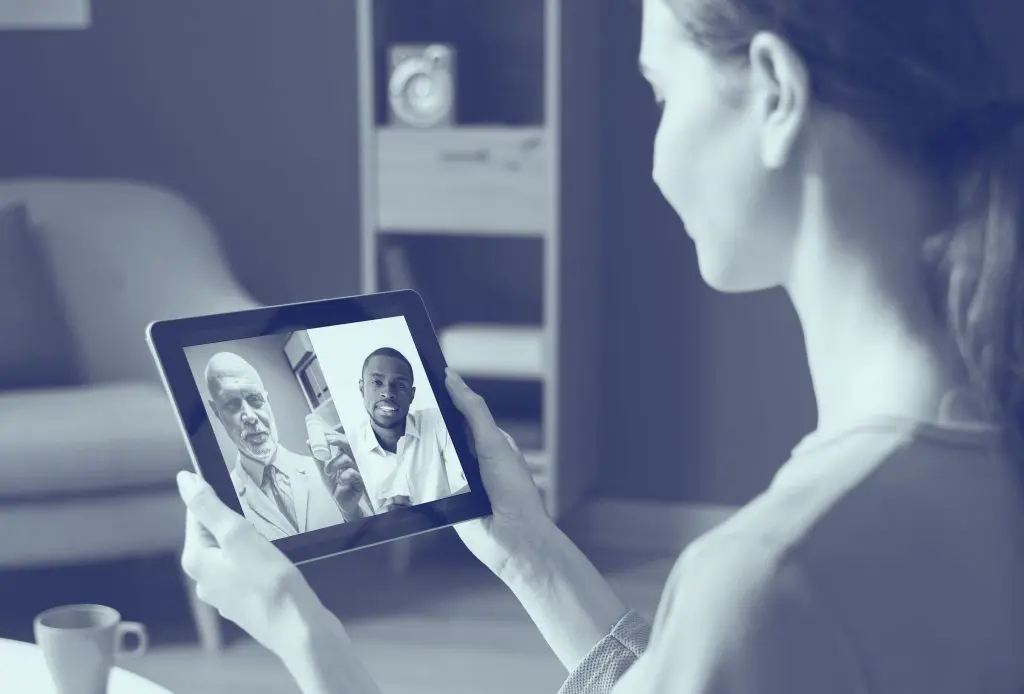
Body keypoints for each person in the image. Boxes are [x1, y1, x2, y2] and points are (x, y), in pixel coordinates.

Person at [177, 0, 1024, 690]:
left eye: (662, 94)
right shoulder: (977, 461)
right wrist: (530, 550)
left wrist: (301, 630)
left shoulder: (772, 578)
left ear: (775, 93)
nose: (655, 162)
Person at [204, 351, 369, 540]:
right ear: (217, 413)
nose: (250, 416)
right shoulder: (221, 506)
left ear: (267, 401)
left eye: (255, 399)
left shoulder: (333, 474)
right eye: (232, 404)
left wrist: (352, 514)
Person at [348, 347, 469, 513]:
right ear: (362, 388)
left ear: (412, 395)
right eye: (377, 382)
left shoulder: (439, 421)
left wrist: (421, 518)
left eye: (400, 385)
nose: (388, 393)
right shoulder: (350, 450)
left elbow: (470, 490)